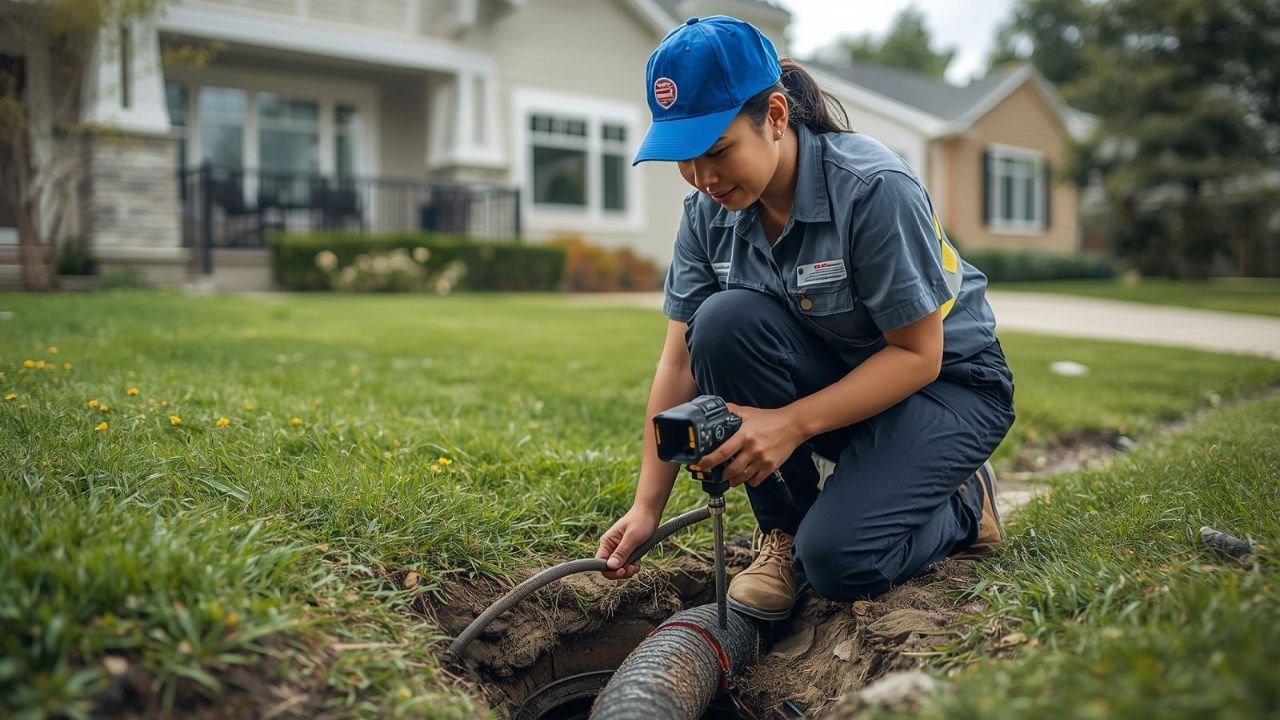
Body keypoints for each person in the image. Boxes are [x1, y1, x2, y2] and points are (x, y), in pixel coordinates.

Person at [595, 15, 1015, 620]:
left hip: (949, 386)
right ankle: (783, 534)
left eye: (716, 151)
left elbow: (920, 355)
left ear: (774, 115)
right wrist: (645, 506)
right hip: (844, 378)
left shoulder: (873, 188)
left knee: (842, 564)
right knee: (721, 322)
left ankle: (965, 505)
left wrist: (789, 424)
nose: (703, 178)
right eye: (683, 159)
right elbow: (680, 358)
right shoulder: (706, 213)